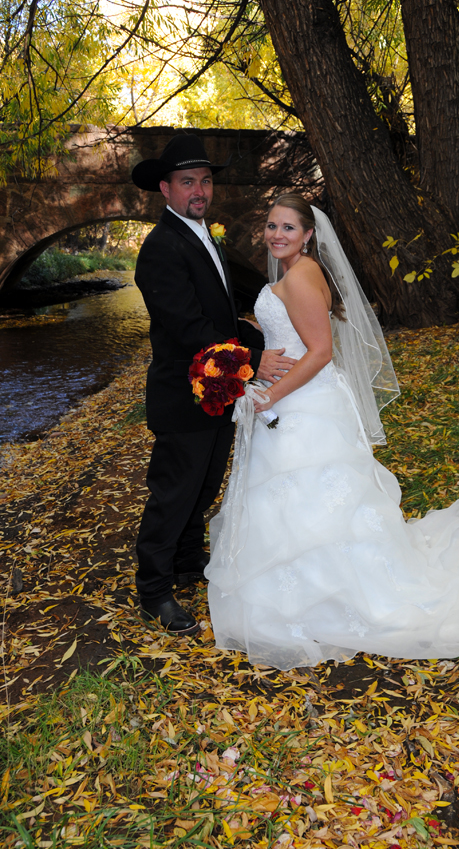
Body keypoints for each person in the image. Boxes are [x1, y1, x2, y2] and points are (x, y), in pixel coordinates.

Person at [205, 194, 459, 670]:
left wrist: (271, 395)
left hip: (300, 403)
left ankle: (328, 598)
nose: (276, 235)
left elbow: (320, 352)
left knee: (311, 495)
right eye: (271, 226)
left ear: (308, 234)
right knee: (298, 499)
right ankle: (307, 591)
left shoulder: (300, 276)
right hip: (298, 399)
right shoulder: (297, 272)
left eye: (288, 227)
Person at [131, 134, 296, 636]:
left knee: (202, 488)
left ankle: (186, 563)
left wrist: (260, 335)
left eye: (204, 181)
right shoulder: (160, 248)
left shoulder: (205, 235)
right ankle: (154, 592)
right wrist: (254, 359)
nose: (199, 190)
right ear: (165, 189)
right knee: (173, 493)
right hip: (183, 395)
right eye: (187, 182)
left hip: (218, 391)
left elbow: (220, 318)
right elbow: (189, 328)